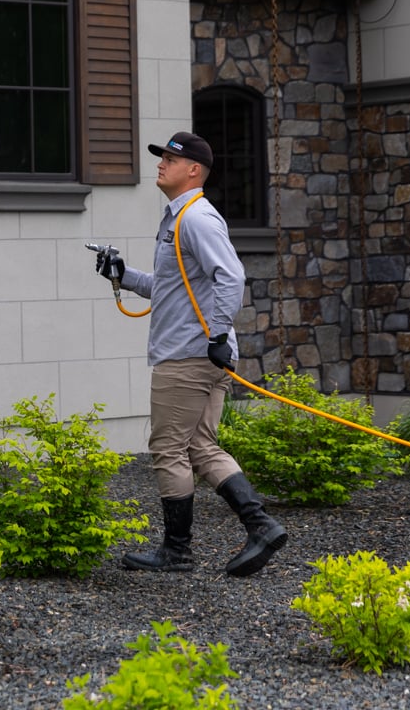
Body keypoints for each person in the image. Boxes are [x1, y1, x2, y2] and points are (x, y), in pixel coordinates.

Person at [95, 131, 286, 577]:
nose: (161, 163)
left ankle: (177, 552)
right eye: (161, 157)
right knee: (200, 445)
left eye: (170, 159)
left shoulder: (196, 218)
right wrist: (122, 275)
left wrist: (217, 334)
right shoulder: (180, 219)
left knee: (167, 448)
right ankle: (261, 525)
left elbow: (231, 277)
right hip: (203, 355)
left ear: (193, 170)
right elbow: (172, 287)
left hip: (188, 357)